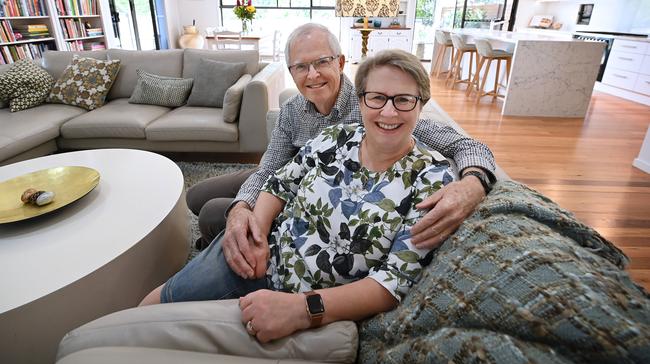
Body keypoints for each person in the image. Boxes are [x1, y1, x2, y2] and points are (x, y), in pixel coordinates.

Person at [141, 49, 459, 344]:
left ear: (422, 103)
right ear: (361, 101)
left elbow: (392, 282)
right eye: (376, 98)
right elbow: (280, 181)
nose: (388, 111)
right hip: (265, 255)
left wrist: (304, 309)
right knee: (149, 312)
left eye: (403, 99)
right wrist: (258, 234)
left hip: (311, 302)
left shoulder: (432, 178)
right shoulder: (337, 137)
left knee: (170, 336)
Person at [188, 23, 496, 280]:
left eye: (322, 62)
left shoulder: (375, 106)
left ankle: (221, 250)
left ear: (340, 61)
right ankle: (219, 245)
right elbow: (269, 170)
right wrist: (243, 206)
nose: (313, 75)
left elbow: (467, 145)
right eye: (301, 67)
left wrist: (473, 183)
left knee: (214, 213)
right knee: (196, 196)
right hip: (288, 174)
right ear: (291, 71)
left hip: (312, 194)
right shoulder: (292, 111)